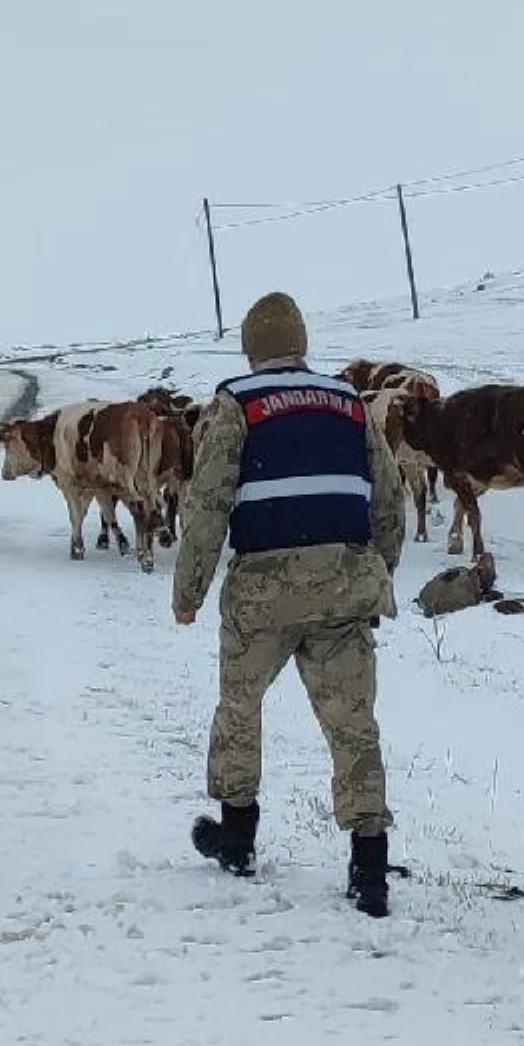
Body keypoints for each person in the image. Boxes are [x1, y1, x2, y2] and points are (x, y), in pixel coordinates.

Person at [172, 291, 406, 916]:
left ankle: (238, 838)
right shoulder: (351, 403)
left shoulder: (237, 404)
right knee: (353, 724)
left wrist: (188, 592)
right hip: (343, 585)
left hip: (263, 594)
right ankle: (369, 868)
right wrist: (379, 570)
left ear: (252, 350)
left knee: (240, 709)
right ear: (302, 344)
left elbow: (207, 507)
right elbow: (389, 500)